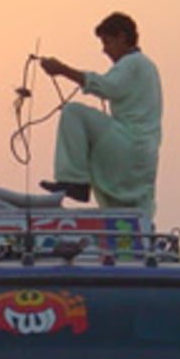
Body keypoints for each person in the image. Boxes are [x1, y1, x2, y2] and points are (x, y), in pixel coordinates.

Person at [39, 12, 163, 219]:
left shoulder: (134, 63)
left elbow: (107, 86)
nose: (104, 50)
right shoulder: (145, 66)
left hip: (130, 144)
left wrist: (62, 70)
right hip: (143, 154)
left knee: (73, 112)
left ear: (122, 37)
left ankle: (74, 181)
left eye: (107, 42)